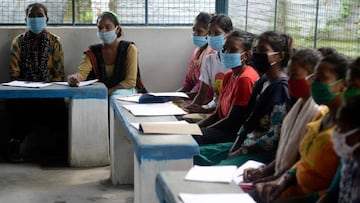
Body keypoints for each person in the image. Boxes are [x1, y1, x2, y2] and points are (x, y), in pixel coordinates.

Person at [256, 53, 350, 203]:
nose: (311, 82)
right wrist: (282, 180)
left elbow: (334, 192)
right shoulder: (322, 117)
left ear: (343, 85)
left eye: (321, 78)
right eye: (314, 77)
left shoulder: (349, 134)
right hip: (291, 188)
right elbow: (304, 160)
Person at [194, 31, 294, 166]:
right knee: (194, 154)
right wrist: (236, 146)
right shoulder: (262, 82)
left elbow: (274, 137)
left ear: (280, 56)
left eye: (264, 50)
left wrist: (242, 150)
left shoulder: (281, 89)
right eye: (256, 50)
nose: (257, 54)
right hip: (244, 143)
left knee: (217, 166)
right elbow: (247, 123)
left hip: (260, 153)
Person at [242, 49, 325, 185]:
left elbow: (299, 160)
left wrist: (269, 180)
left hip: (292, 182)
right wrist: (264, 171)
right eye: (289, 74)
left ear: (313, 77)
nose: (289, 79)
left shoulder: (317, 112)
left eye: (295, 75)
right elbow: (284, 152)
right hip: (279, 175)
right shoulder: (298, 105)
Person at [6, 2, 66, 162]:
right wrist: (30, 87)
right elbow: (14, 74)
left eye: (39, 16)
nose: (35, 19)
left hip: (49, 91)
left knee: (58, 106)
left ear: (47, 18)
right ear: (25, 19)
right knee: (15, 105)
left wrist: (45, 87)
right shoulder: (18, 42)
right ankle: (14, 147)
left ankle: (58, 150)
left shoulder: (55, 42)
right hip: (24, 91)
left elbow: (59, 74)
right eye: (31, 16)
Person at [192, 29, 259, 145]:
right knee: (184, 123)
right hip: (222, 124)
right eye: (224, 49)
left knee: (191, 138)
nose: (226, 53)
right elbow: (218, 113)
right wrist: (196, 127)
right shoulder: (229, 75)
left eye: (232, 50)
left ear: (246, 55)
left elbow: (232, 121)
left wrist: (201, 131)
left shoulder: (245, 79)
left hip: (231, 132)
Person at [68, 11, 144, 95]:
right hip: (102, 91)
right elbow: (82, 73)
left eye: (108, 27)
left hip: (125, 90)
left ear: (117, 29)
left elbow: (130, 82)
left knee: (115, 95)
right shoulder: (92, 52)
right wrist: (75, 78)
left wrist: (108, 92)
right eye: (100, 28)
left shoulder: (129, 49)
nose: (103, 31)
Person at [318, 57, 360, 203]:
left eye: (353, 86)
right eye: (347, 86)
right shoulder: (351, 141)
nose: (347, 92)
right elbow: (333, 193)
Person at [184, 14, 232, 114]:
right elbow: (202, 93)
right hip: (212, 108)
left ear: (228, 33)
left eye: (217, 33)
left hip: (222, 111)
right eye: (210, 33)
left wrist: (204, 110)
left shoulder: (233, 62)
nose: (212, 37)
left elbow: (229, 102)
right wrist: (189, 110)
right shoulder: (209, 59)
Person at [177, 12, 215, 101]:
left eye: (199, 31)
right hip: (194, 96)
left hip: (205, 100)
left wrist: (180, 97)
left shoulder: (211, 55)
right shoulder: (197, 52)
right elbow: (188, 83)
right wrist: (172, 96)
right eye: (194, 29)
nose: (194, 34)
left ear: (209, 34)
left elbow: (204, 92)